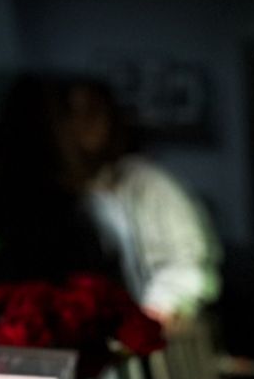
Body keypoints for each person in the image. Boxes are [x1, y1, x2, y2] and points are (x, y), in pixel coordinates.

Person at [62, 77, 222, 325]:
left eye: (91, 112)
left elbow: (189, 262)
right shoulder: (57, 193)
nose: (82, 124)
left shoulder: (147, 183)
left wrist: (151, 316)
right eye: (71, 113)